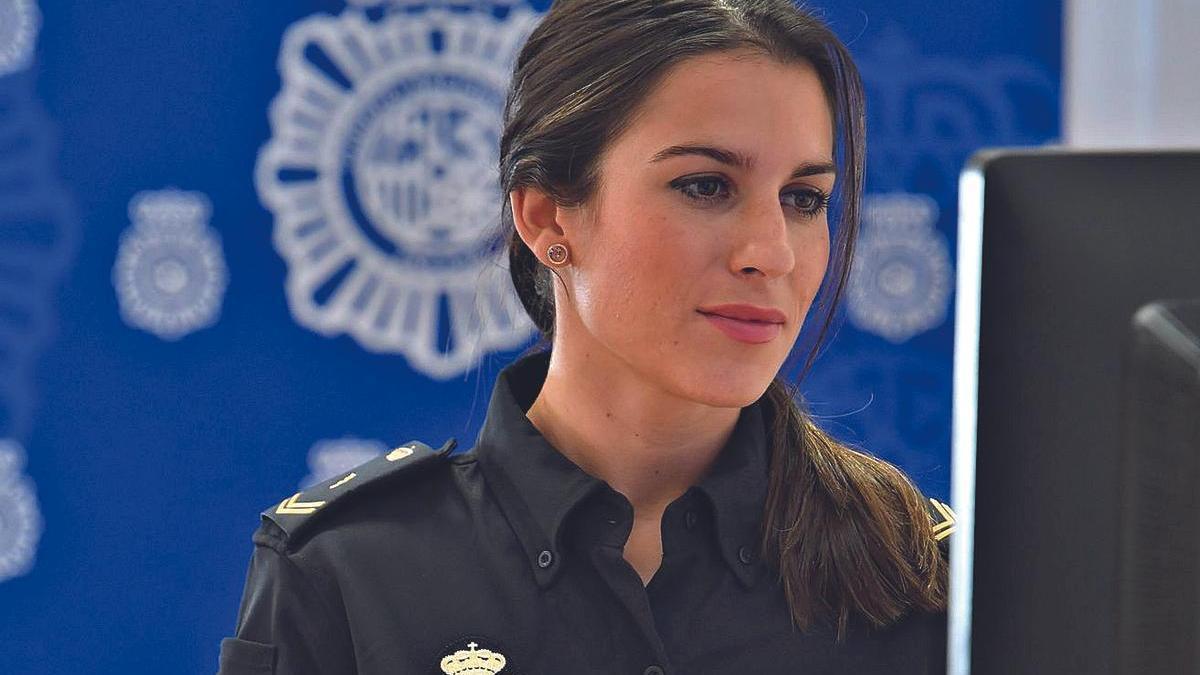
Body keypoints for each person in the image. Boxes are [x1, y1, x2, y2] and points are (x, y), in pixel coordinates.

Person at [217, 0, 955, 673]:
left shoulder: (929, 577)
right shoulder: (344, 571)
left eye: (804, 199)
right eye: (706, 185)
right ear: (546, 217)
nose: (772, 252)